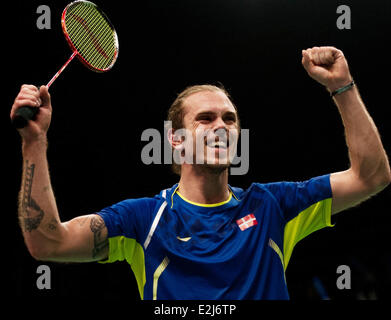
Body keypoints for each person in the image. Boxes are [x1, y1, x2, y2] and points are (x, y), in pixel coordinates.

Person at [12, 46, 390, 300]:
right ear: (175, 140)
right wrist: (34, 141)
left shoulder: (273, 205)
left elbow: (371, 177)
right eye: (205, 119)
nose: (221, 126)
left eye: (230, 118)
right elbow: (48, 243)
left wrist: (342, 86)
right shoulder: (143, 219)